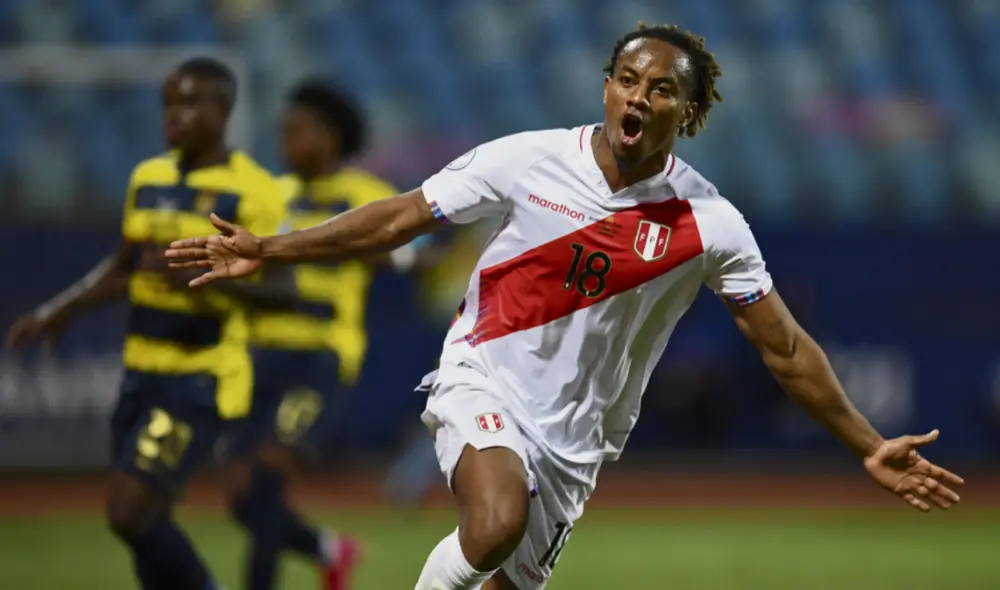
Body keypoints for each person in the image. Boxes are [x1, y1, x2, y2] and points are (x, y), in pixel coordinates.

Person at [163, 24, 965, 590]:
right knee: (494, 521)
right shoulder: (526, 159)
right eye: (626, 79)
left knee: (504, 566)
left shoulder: (710, 225)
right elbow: (403, 215)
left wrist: (866, 442)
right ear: (606, 87)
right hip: (482, 378)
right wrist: (269, 247)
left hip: (577, 443)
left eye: (660, 89)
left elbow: (784, 348)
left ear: (687, 115)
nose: (638, 97)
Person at [7, 57, 292, 590]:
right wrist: (58, 309)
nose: (174, 114)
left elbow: (282, 291)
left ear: (224, 109)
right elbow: (124, 266)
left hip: (200, 378)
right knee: (144, 523)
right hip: (139, 372)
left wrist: (208, 271)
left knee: (127, 511)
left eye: (190, 102)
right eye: (168, 103)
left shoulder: (254, 190)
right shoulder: (147, 177)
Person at [224, 77, 407, 590]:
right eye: (283, 132)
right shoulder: (271, 197)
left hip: (321, 355)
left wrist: (399, 253)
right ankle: (330, 549)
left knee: (266, 476)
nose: (286, 143)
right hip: (260, 355)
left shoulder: (366, 196)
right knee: (241, 496)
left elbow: (402, 252)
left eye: (296, 132)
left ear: (330, 138)